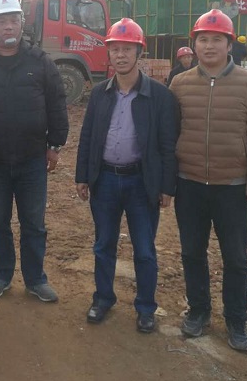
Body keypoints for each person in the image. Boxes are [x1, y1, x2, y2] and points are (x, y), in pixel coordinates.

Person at [170, 9, 247, 352]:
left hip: (232, 188)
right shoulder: (179, 84)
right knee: (192, 253)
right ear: (194, 44)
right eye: (203, 39)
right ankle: (198, 311)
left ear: (229, 44)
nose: (209, 46)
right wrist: (168, 183)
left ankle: (236, 320)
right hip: (190, 184)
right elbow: (169, 136)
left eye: (216, 39)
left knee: (236, 259)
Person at [0, 0, 68, 303]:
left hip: (32, 159)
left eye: (13, 20)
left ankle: (35, 279)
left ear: (22, 22)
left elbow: (57, 103)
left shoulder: (40, 62)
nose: (8, 26)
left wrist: (55, 144)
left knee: (34, 223)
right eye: (2, 21)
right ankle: (2, 274)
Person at [75, 18, 177, 333]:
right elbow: (88, 136)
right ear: (109, 52)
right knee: (103, 244)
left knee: (144, 249)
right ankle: (103, 299)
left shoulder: (159, 96)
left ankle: (146, 308)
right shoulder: (100, 94)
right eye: (115, 49)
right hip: (105, 180)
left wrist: (166, 186)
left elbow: (167, 145)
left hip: (141, 183)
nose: (120, 55)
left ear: (139, 52)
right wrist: (82, 176)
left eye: (127, 49)